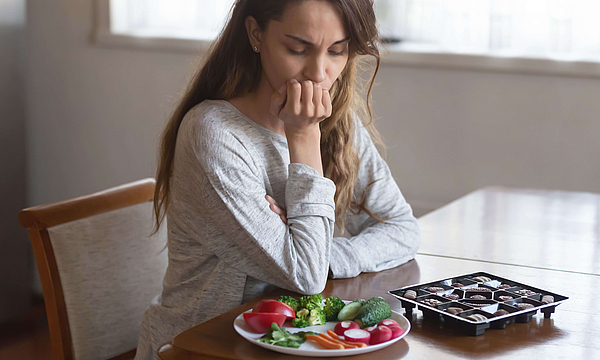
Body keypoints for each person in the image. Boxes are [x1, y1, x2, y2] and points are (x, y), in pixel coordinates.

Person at [135, 0, 420, 358]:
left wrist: (318, 251)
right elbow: (306, 276)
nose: (319, 74)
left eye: (337, 51)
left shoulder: (338, 122)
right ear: (256, 34)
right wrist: (302, 137)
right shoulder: (214, 134)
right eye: (297, 49)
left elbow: (402, 228)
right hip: (200, 347)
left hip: (295, 344)